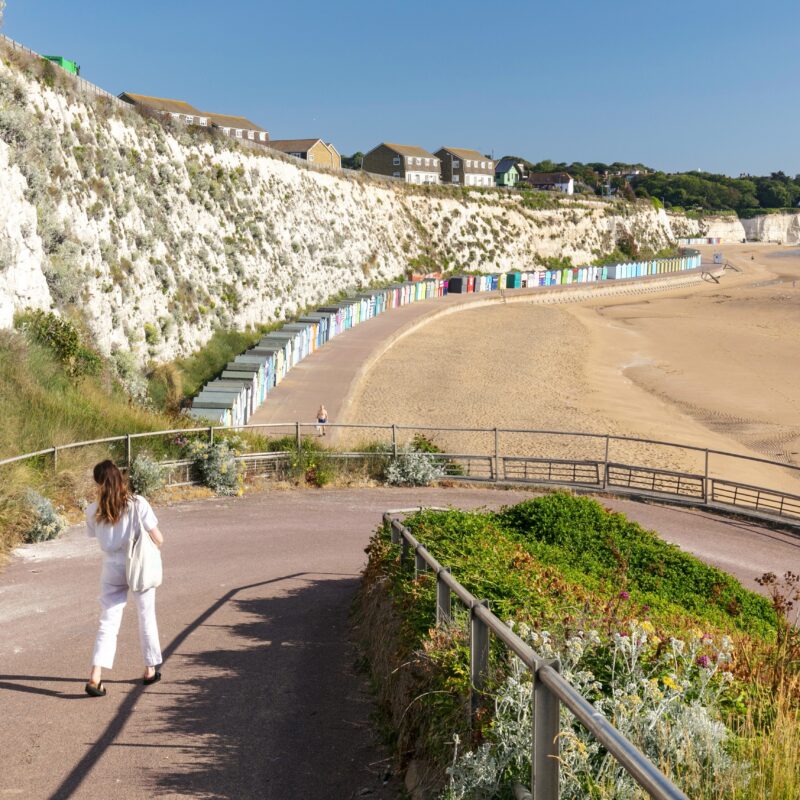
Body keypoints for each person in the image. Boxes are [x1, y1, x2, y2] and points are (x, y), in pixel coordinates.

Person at [84, 460, 164, 697]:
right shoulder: (138, 504)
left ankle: (95, 675)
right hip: (138, 566)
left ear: (98, 483)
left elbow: (94, 536)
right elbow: (158, 538)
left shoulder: (92, 510)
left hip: (111, 567)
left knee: (108, 621)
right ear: (120, 477)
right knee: (145, 615)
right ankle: (150, 669)